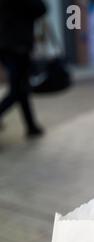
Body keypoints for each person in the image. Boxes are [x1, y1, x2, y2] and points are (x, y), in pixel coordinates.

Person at [0, 0, 47, 139]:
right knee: (18, 89)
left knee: (21, 87)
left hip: (7, 45)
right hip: (17, 46)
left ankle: (31, 126)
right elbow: (40, 9)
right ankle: (31, 126)